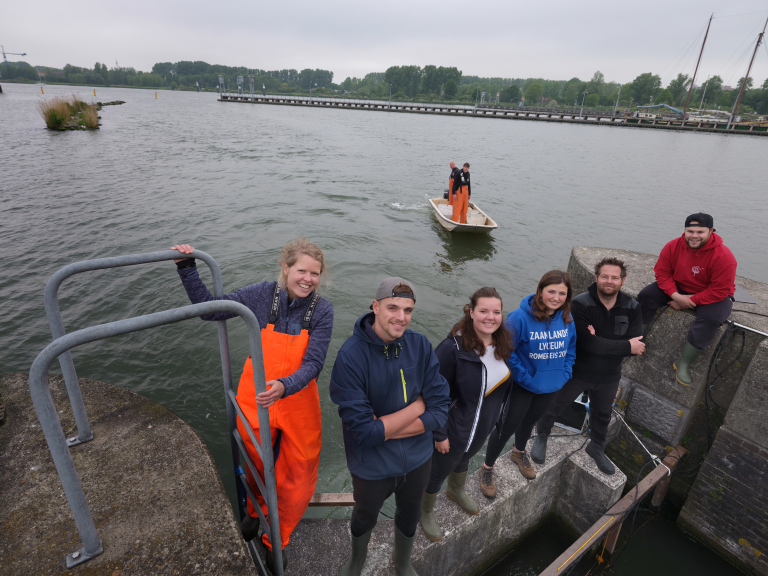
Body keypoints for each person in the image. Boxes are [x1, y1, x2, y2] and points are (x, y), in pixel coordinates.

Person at [169, 239, 334, 572]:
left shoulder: (323, 309)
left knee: (300, 472)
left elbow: (314, 362)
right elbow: (210, 309)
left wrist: (285, 385)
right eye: (301, 270)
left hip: (297, 397)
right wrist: (187, 267)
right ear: (286, 268)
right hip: (256, 396)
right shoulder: (260, 295)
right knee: (254, 463)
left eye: (314, 273)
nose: (307, 279)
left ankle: (277, 539)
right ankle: (254, 513)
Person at [330, 278, 450, 576]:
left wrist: (383, 428)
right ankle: (357, 559)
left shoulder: (420, 345)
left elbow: (441, 408)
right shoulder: (350, 357)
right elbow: (364, 434)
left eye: (408, 310)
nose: (401, 317)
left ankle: (403, 560)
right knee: (364, 515)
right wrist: (417, 407)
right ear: (375, 307)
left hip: (419, 459)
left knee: (410, 513)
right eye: (393, 307)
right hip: (372, 466)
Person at [532, 258, 645, 475]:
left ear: (622, 280)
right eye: (604, 276)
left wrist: (603, 342)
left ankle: (597, 446)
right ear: (596, 278)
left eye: (614, 277)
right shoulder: (580, 304)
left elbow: (637, 345)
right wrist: (623, 346)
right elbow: (587, 343)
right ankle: (542, 435)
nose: (609, 281)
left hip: (610, 375)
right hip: (578, 370)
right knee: (556, 405)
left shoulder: (633, 307)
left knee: (602, 414)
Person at [420, 287, 514, 542]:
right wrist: (439, 433)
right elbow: (433, 392)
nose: (490, 317)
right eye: (483, 311)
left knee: (464, 459)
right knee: (437, 471)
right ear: (471, 312)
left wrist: (498, 419)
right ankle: (425, 510)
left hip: (481, 425)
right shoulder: (452, 349)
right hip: (453, 428)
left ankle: (455, 490)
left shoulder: (502, 342)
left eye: (496, 312)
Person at [480, 270, 577, 494]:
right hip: (523, 386)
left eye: (562, 293)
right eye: (551, 291)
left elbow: (570, 349)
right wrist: (525, 377)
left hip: (551, 385)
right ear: (540, 291)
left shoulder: (567, 319)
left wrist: (564, 373)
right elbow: (507, 351)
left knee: (530, 421)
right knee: (506, 427)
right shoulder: (519, 318)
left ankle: (519, 451)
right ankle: (487, 468)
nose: (556, 297)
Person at [637, 213, 737, 386]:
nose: (694, 236)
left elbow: (719, 290)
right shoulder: (673, 246)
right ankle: (637, 339)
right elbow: (662, 273)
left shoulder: (724, 256)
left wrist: (688, 301)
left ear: (711, 231)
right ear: (685, 230)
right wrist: (676, 295)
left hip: (713, 294)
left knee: (712, 319)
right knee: (646, 296)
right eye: (690, 231)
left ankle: (683, 362)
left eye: (700, 231)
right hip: (679, 287)